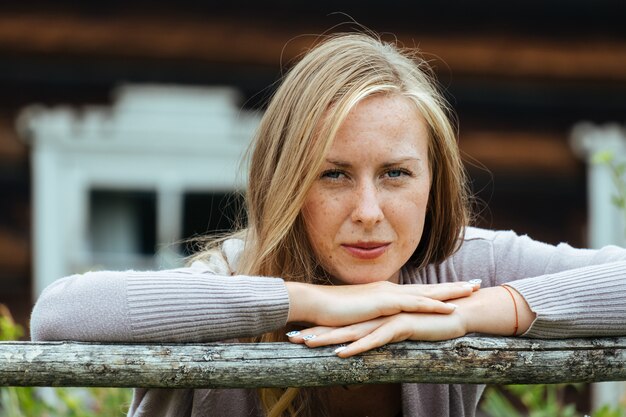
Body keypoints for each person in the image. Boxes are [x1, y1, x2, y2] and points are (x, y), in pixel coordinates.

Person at [30, 32, 626, 417]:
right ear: (288, 183)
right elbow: (58, 314)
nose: (368, 211)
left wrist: (468, 314)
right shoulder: (236, 275)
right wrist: (307, 302)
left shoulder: (459, 272)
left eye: (395, 174)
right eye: (334, 175)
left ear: (434, 181)